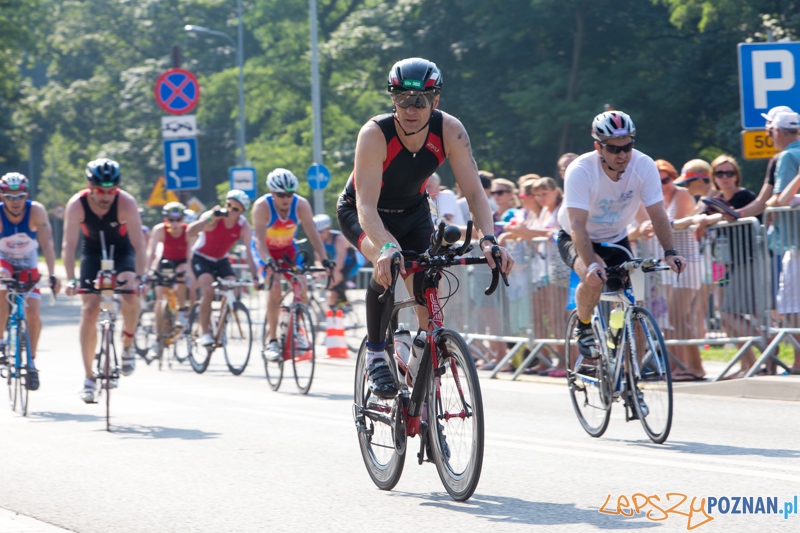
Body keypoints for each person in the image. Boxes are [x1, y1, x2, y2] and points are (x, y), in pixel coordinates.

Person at [337, 57, 514, 399]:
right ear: (392, 99)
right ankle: (376, 352)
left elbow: (475, 192)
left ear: (435, 100)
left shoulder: (449, 130)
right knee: (388, 264)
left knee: (426, 282)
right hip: (366, 212)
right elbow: (365, 205)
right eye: (401, 97)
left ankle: (424, 379)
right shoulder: (375, 134)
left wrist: (489, 240)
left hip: (414, 212)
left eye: (419, 100)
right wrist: (387, 248)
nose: (410, 108)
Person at [557, 110, 685, 364]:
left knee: (634, 302)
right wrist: (592, 263)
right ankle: (583, 326)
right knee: (593, 277)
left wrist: (671, 252)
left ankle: (629, 373)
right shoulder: (581, 170)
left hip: (616, 237)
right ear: (598, 147)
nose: (622, 154)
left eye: (627, 147)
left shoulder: (643, 165)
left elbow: (657, 213)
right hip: (577, 236)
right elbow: (578, 224)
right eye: (614, 149)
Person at [63, 159, 146, 403]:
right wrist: (70, 279)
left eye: (111, 191)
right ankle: (89, 378)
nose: (106, 197)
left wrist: (140, 278)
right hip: (92, 253)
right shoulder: (76, 204)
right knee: (89, 310)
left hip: (122, 252)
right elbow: (68, 246)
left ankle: (128, 345)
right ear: (90, 187)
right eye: (100, 191)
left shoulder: (127, 203)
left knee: (130, 294)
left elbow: (140, 246)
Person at [632, 159, 706, 381]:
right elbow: (642, 224)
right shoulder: (648, 201)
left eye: (667, 179)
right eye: (658, 180)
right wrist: (643, 227)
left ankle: (696, 367)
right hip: (665, 266)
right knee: (668, 321)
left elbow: (679, 222)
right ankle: (676, 367)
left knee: (678, 316)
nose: (663, 184)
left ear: (674, 178)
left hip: (686, 263)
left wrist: (654, 226)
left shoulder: (681, 194)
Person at [251, 169, 333, 362]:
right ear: (272, 193)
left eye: (289, 194)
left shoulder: (301, 204)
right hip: (267, 251)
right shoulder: (261, 207)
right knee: (275, 287)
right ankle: (272, 341)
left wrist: (325, 259)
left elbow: (313, 234)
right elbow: (260, 242)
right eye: (281, 195)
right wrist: (268, 262)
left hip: (288, 250)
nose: (286, 199)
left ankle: (297, 330)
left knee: (302, 283)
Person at [0, 173, 61, 390]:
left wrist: (53, 275)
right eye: (9, 197)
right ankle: (0, 341)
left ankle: (31, 362)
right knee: (2, 282)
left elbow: (48, 244)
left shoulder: (36, 211)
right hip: (4, 261)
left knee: (33, 312)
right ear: (2, 196)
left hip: (28, 263)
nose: (15, 202)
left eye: (20, 196)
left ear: (27, 195)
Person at [188, 189, 261, 348]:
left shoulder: (243, 226)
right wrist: (209, 219)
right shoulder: (213, 216)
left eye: (236, 209)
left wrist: (256, 276)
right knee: (208, 290)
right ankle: (205, 332)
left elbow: (249, 253)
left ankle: (221, 324)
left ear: (242, 212)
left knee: (232, 289)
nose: (230, 210)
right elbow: (190, 232)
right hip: (201, 257)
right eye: (228, 205)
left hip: (221, 259)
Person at [146, 202, 192, 332]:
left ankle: (182, 310)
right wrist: (148, 272)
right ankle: (158, 332)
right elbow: (151, 253)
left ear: (183, 219)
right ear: (165, 219)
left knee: (181, 278)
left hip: (182, 261)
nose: (175, 223)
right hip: (166, 261)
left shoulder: (188, 231)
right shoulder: (159, 230)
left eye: (179, 220)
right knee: (159, 296)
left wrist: (187, 269)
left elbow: (190, 256)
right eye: (171, 220)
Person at [313, 213, 365, 308]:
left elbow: (339, 262)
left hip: (352, 263)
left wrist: (325, 274)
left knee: (333, 281)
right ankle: (339, 309)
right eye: (316, 232)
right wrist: (318, 272)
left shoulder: (339, 239)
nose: (318, 235)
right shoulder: (318, 240)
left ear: (329, 229)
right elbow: (318, 261)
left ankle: (342, 307)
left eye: (321, 231)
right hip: (339, 265)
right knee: (331, 294)